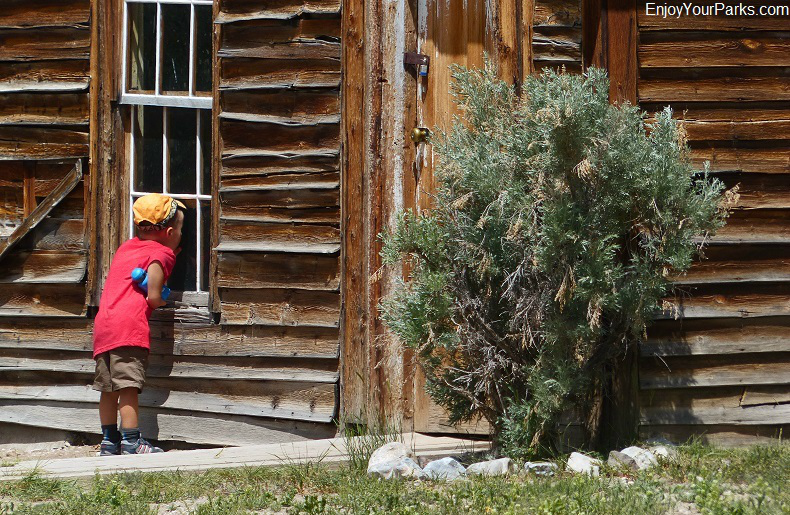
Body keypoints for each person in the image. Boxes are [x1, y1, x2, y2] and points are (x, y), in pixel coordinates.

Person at [92, 193, 185, 455]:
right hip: (128, 328)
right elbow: (154, 296)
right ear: (169, 231)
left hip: (105, 325)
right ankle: (132, 442)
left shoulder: (126, 247)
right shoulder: (162, 253)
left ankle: (110, 441)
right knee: (128, 387)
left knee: (108, 389)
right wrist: (164, 301)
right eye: (180, 230)